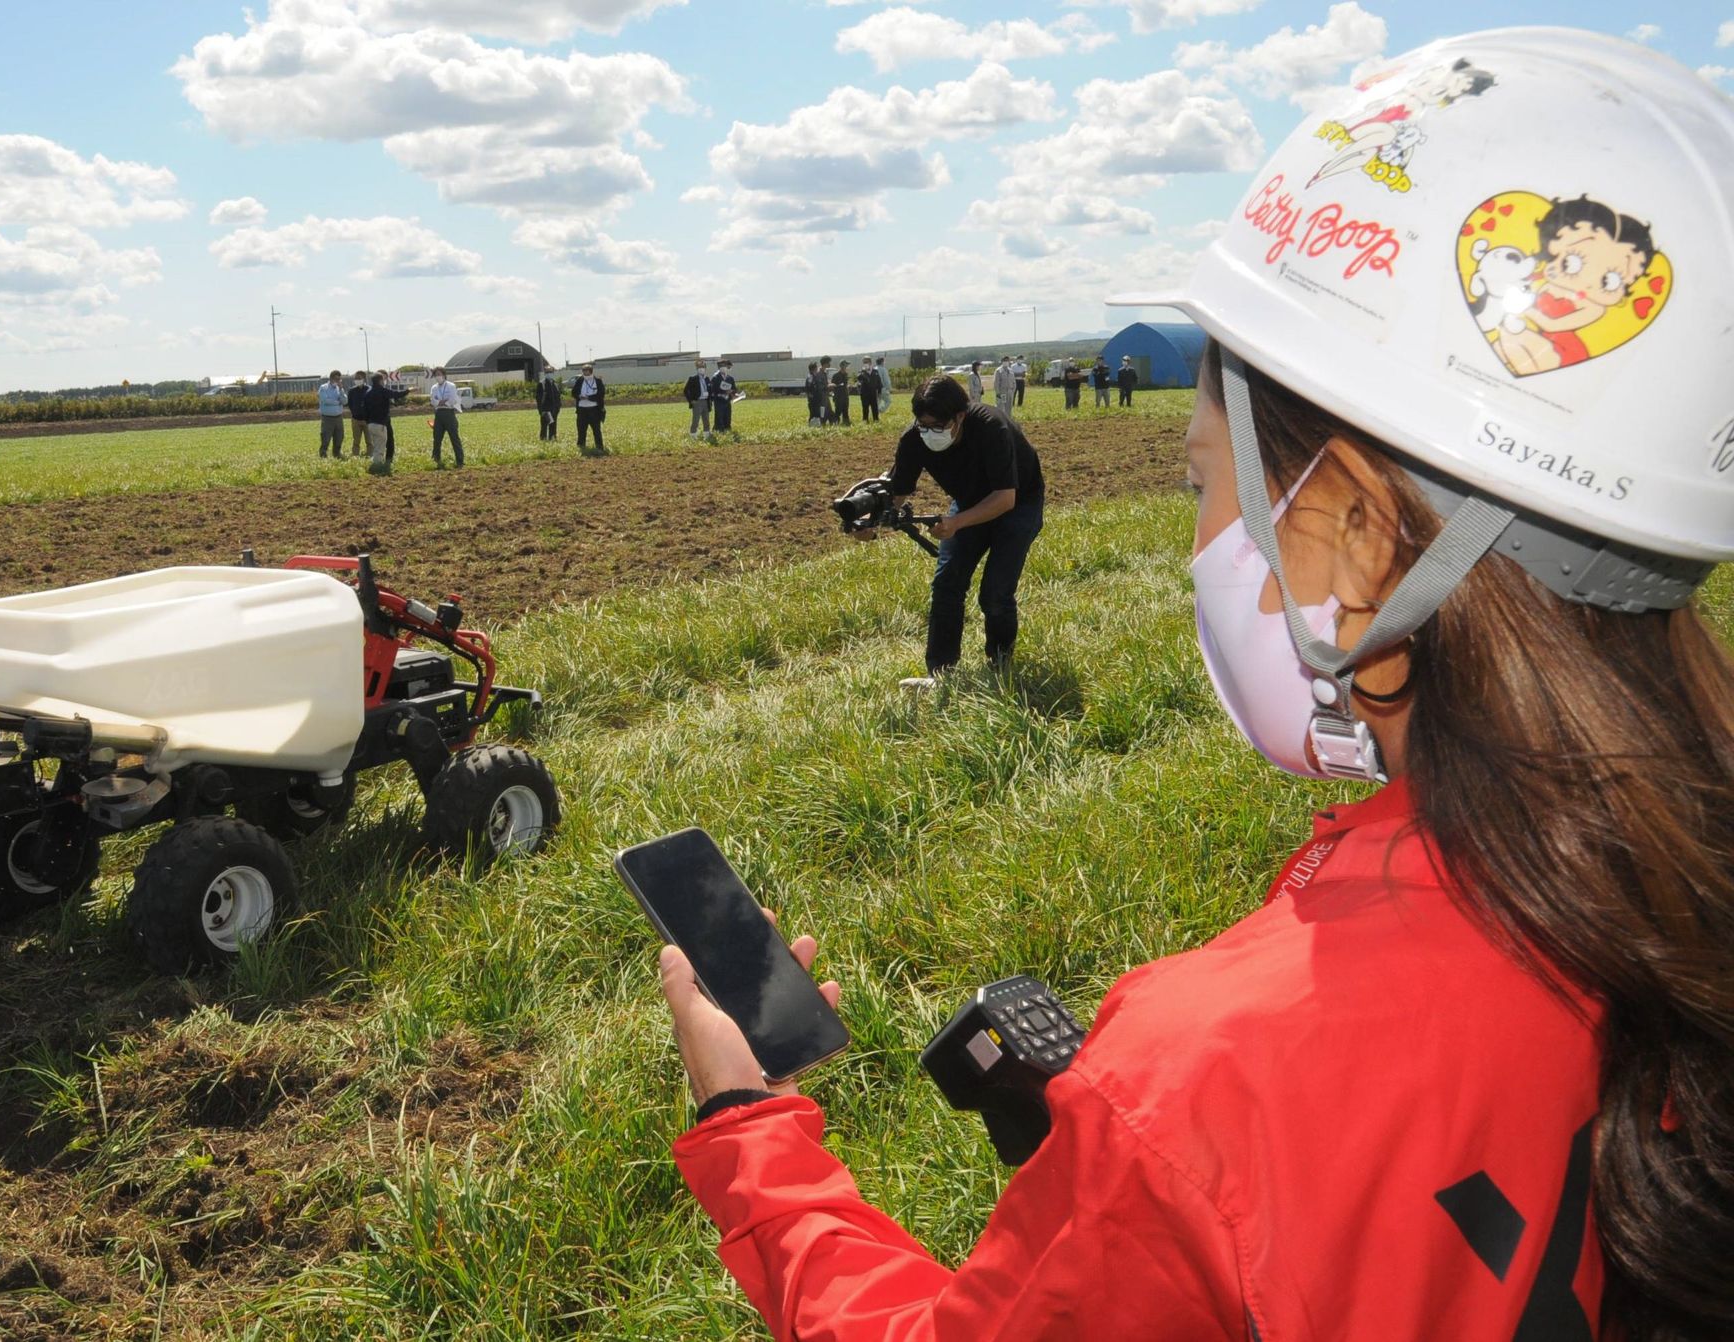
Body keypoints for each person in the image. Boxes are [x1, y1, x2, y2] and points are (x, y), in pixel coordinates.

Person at [659, 28, 1734, 1342]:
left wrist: (747, 1122)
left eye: (1199, 479)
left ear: (1347, 527)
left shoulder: (1209, 1088)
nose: (1200, 528)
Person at [853, 374, 1043, 679]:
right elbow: (898, 492)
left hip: (1018, 505)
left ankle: (1000, 663)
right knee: (947, 584)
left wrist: (956, 523)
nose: (929, 433)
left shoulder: (992, 428)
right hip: (967, 501)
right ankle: (940, 673)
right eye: (922, 425)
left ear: (960, 416)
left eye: (937, 427)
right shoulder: (914, 440)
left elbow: (1006, 498)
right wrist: (871, 525)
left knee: (994, 593)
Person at [361, 370, 398, 472]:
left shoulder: (368, 392)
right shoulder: (382, 391)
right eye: (383, 379)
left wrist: (368, 421)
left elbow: (364, 409)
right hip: (381, 422)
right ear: (381, 380)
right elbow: (396, 394)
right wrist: (408, 391)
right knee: (381, 446)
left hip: (371, 423)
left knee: (376, 445)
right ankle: (378, 466)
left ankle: (377, 463)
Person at [428, 367, 463, 468]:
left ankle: (460, 461)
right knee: (437, 438)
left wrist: (440, 401)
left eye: (439, 374)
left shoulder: (451, 386)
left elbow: (452, 400)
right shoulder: (434, 388)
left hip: (449, 413)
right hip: (438, 414)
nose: (438, 376)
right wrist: (441, 401)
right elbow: (433, 401)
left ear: (444, 374)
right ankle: (436, 460)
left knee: (454, 438)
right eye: (436, 375)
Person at [571, 363, 608, 455]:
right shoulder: (580, 380)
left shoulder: (598, 381)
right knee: (581, 430)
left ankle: (599, 447)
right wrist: (579, 396)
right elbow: (574, 392)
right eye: (583, 371)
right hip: (582, 410)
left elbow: (601, 394)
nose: (585, 373)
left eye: (586, 371)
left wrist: (589, 397)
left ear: (591, 371)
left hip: (594, 409)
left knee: (596, 429)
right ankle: (581, 447)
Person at [317, 369, 347, 458]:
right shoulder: (323, 388)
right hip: (327, 418)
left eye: (339, 379)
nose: (337, 381)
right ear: (331, 378)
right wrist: (338, 402)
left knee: (339, 436)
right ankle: (323, 454)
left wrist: (341, 389)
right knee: (326, 437)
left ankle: (337, 453)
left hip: (338, 417)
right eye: (336, 379)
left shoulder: (339, 388)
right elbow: (325, 400)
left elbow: (345, 401)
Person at [684, 359, 713, 435]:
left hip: (706, 402)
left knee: (706, 419)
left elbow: (710, 390)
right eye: (699, 367)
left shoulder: (707, 379)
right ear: (697, 369)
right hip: (697, 402)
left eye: (703, 367)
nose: (701, 369)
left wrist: (710, 400)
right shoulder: (693, 378)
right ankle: (693, 434)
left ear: (705, 368)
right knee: (696, 420)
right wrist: (691, 401)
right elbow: (686, 390)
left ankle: (706, 433)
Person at [347, 370, 370, 455]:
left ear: (364, 379)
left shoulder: (369, 389)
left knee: (369, 440)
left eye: (359, 378)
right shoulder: (351, 391)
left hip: (367, 420)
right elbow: (350, 404)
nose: (357, 380)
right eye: (355, 378)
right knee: (356, 440)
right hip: (355, 419)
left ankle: (370, 454)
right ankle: (355, 455)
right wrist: (355, 412)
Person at [712, 359, 738, 433]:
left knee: (727, 416)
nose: (724, 368)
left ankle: (727, 429)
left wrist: (733, 392)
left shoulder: (730, 378)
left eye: (726, 366)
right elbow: (713, 389)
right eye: (722, 366)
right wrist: (723, 391)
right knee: (719, 416)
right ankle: (719, 430)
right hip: (719, 400)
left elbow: (734, 388)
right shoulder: (715, 377)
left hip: (727, 401)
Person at [536, 364, 561, 441]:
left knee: (553, 424)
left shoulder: (555, 384)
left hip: (555, 409)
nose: (549, 374)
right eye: (547, 372)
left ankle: (552, 438)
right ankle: (543, 439)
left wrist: (558, 407)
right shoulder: (542, 384)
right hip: (546, 409)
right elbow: (538, 399)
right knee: (545, 425)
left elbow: (558, 397)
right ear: (545, 373)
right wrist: (541, 410)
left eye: (550, 372)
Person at [857, 357, 882, 422]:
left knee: (874, 407)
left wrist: (879, 392)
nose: (865, 363)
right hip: (864, 393)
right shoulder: (861, 371)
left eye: (866, 362)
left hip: (873, 393)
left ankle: (876, 419)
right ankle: (865, 419)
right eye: (864, 362)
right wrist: (863, 371)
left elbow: (879, 382)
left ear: (870, 362)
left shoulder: (875, 371)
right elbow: (858, 378)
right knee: (865, 407)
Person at [831, 360, 852, 425]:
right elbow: (832, 386)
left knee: (845, 411)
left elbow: (846, 385)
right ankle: (835, 423)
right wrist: (838, 386)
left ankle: (846, 422)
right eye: (846, 365)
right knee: (838, 411)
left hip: (845, 396)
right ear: (842, 366)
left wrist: (849, 387)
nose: (847, 367)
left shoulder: (846, 374)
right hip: (838, 397)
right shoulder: (836, 375)